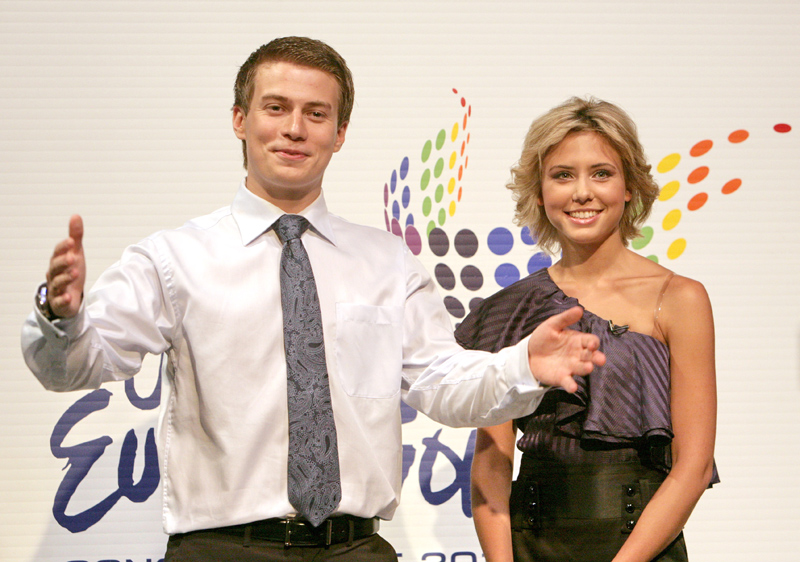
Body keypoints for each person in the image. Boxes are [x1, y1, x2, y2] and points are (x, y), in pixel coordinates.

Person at [21, 38, 605, 561]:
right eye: (276, 108)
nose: (295, 129)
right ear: (239, 119)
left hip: (356, 549)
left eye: (316, 114)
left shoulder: (387, 262)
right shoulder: (173, 259)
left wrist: (522, 365)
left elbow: (443, 383)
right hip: (222, 552)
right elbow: (76, 365)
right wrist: (61, 317)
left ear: (340, 133)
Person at [461, 97, 718, 562]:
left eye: (601, 173)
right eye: (562, 175)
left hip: (643, 549)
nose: (582, 192)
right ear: (538, 191)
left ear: (629, 187)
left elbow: (693, 466)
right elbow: (492, 465)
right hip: (532, 545)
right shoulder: (508, 310)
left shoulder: (680, 299)